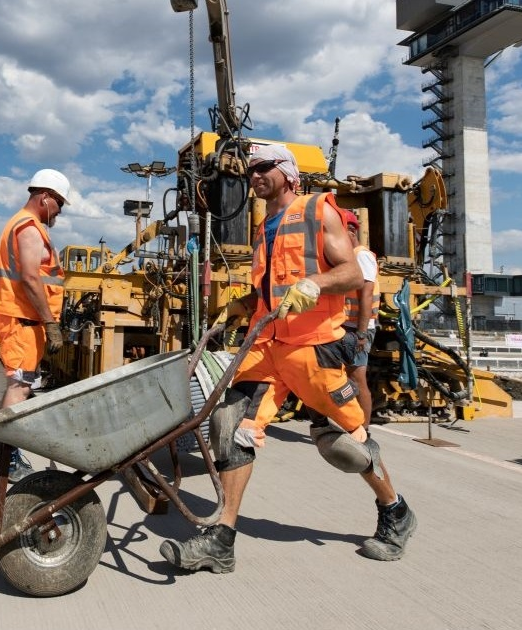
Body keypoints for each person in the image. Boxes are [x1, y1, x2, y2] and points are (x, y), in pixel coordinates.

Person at [159, 144, 418, 573]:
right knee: (231, 428)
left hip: (313, 347)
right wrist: (242, 304)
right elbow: (271, 290)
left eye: (262, 168)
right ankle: (221, 539)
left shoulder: (318, 210)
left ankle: (396, 511)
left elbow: (355, 273)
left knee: (346, 444)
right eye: (250, 170)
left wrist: (316, 284)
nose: (253, 176)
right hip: (267, 349)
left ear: (288, 173)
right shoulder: (264, 229)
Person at [0, 168, 70, 483]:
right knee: (21, 386)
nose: (59, 212)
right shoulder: (28, 228)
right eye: (59, 204)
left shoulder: (22, 225)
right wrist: (50, 323)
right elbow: (29, 278)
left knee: (19, 382)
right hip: (22, 321)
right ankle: (6, 458)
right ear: (45, 198)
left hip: (22, 319)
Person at [341, 209, 380, 429]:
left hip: (359, 328)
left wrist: (361, 334)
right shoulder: (348, 257)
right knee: (346, 377)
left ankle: (363, 430)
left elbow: (365, 295)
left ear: (352, 230)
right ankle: (350, 423)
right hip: (348, 326)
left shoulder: (361, 255)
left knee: (357, 378)